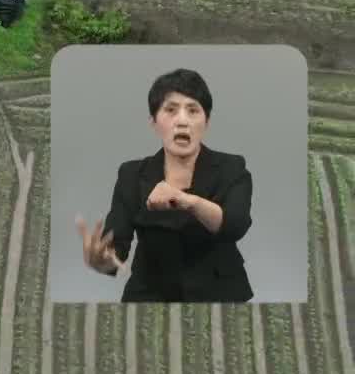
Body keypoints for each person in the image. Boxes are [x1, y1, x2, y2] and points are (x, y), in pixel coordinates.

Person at [75, 68, 254, 303]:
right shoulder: (131, 174)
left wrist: (186, 200)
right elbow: (117, 247)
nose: (182, 121)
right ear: (154, 122)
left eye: (193, 110)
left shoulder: (232, 168)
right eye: (170, 110)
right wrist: (102, 260)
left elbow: (235, 225)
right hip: (149, 296)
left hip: (220, 294)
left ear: (206, 121)